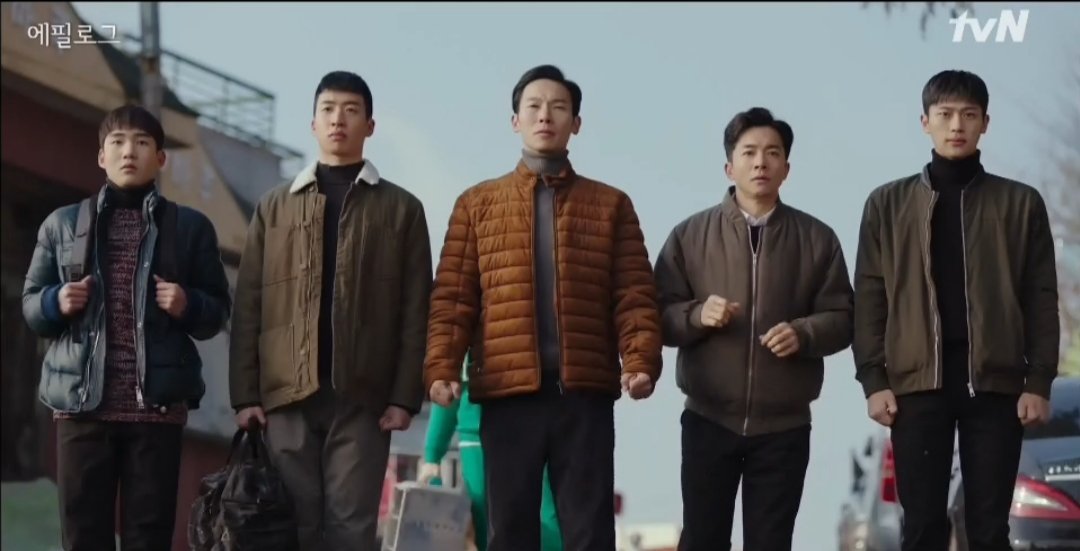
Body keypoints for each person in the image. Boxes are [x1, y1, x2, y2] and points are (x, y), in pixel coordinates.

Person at [423, 64, 662, 551]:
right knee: (509, 530)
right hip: (507, 393)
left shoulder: (611, 205)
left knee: (589, 532)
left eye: (558, 107)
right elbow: (453, 297)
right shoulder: (477, 204)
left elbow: (634, 293)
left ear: (577, 122)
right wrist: (442, 366)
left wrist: (640, 360)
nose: (545, 116)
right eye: (533, 106)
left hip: (585, 394)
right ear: (515, 121)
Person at [853, 69, 1059, 551]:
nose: (956, 125)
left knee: (989, 529)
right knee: (922, 526)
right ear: (925, 122)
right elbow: (869, 296)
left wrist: (1038, 381)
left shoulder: (1020, 203)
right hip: (915, 386)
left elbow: (1041, 297)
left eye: (969, 115)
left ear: (986, 122)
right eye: (945, 114)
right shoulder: (886, 204)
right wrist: (874, 380)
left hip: (996, 384)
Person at [228, 70, 433, 550]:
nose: (338, 119)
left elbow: (416, 309)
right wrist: (244, 395)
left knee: (351, 529)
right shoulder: (273, 208)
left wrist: (404, 398)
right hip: (285, 396)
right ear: (313, 123)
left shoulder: (402, 209)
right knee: (289, 527)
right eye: (328, 109)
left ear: (370, 126)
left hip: (363, 396)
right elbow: (249, 303)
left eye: (351, 110)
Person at [22, 104, 231, 550]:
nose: (128, 152)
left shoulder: (190, 228)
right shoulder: (63, 224)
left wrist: (187, 304)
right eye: (117, 142)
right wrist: (55, 301)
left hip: (156, 411)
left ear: (161, 158)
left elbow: (217, 313)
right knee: (83, 536)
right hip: (81, 406)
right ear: (102, 156)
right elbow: (31, 308)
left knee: (148, 538)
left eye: (141, 143)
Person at [653, 107, 854, 551]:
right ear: (729, 166)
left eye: (772, 153)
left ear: (787, 168)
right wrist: (697, 315)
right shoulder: (689, 236)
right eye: (749, 152)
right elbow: (657, 315)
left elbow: (843, 317)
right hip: (708, 418)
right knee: (702, 540)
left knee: (771, 542)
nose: (761, 162)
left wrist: (804, 334)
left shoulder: (818, 239)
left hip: (785, 425)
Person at [418, 353, 564, 551]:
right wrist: (432, 455)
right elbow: (447, 389)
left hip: (533, 425)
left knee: (545, 512)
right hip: (476, 435)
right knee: (485, 514)